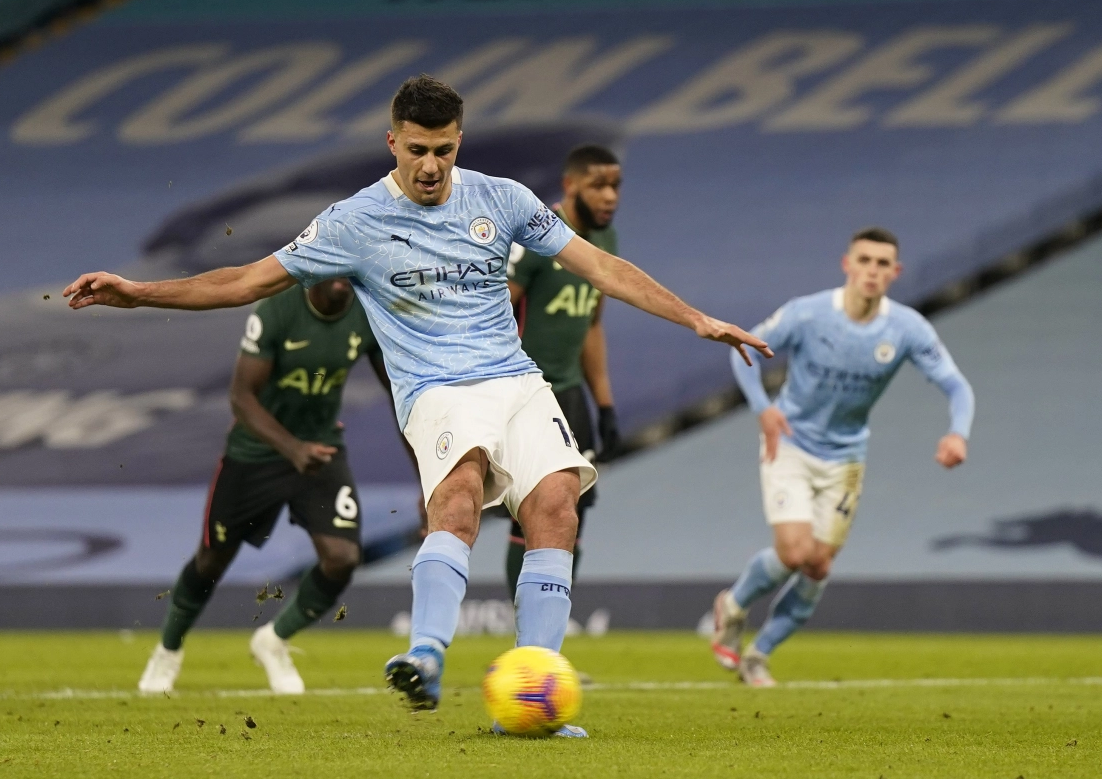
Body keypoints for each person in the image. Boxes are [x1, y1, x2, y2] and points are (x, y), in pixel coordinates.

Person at [65, 75, 771, 737]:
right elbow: (246, 280)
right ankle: (426, 656)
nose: (430, 164)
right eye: (417, 149)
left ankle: (535, 692)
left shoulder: (501, 200)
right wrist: (139, 292)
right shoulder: (353, 221)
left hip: (515, 381)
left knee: (557, 504)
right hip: (435, 390)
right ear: (393, 143)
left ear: (458, 142)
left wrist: (698, 319)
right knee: (459, 493)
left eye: (444, 149)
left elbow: (601, 267)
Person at [711, 228, 975, 687]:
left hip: (846, 457)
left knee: (818, 565)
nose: (872, 271)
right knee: (794, 551)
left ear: (896, 272)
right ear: (847, 264)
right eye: (865, 261)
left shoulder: (907, 328)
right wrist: (764, 410)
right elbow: (742, 348)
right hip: (789, 443)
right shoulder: (808, 313)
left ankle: (760, 654)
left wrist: (958, 433)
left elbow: (957, 385)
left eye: (882, 264)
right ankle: (732, 605)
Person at [137, 279, 395, 694]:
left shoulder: (367, 313)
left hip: (321, 449)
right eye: (334, 265)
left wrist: (429, 473)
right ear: (312, 269)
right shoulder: (277, 311)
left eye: (351, 267)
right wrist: (291, 449)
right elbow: (241, 396)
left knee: (343, 557)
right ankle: (168, 650)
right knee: (210, 561)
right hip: (256, 453)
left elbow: (399, 392)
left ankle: (273, 641)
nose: (343, 276)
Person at [503, 143, 623, 597]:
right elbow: (495, 311)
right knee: (531, 517)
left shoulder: (605, 239)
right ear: (570, 185)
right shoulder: (535, 238)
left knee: (574, 516)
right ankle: (524, 648)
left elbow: (591, 324)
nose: (610, 196)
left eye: (615, 185)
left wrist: (605, 404)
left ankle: (548, 645)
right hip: (525, 395)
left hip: (570, 398)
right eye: (598, 185)